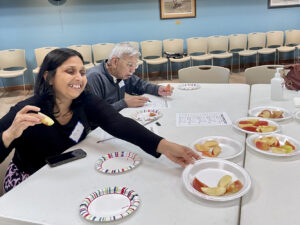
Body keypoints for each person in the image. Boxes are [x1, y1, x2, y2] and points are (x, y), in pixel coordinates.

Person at [0, 48, 199, 193]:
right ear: (49, 77)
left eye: (82, 72)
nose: (79, 78)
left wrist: (165, 146)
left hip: (71, 171)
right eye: (70, 72)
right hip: (32, 181)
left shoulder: (84, 100)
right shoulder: (27, 110)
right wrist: (9, 135)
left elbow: (119, 124)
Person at [87, 42, 174, 111]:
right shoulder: (94, 78)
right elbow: (95, 114)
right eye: (130, 65)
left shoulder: (120, 73)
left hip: (117, 117)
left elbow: (139, 84)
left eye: (135, 66)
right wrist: (124, 103)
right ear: (114, 62)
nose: (133, 70)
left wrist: (157, 89)